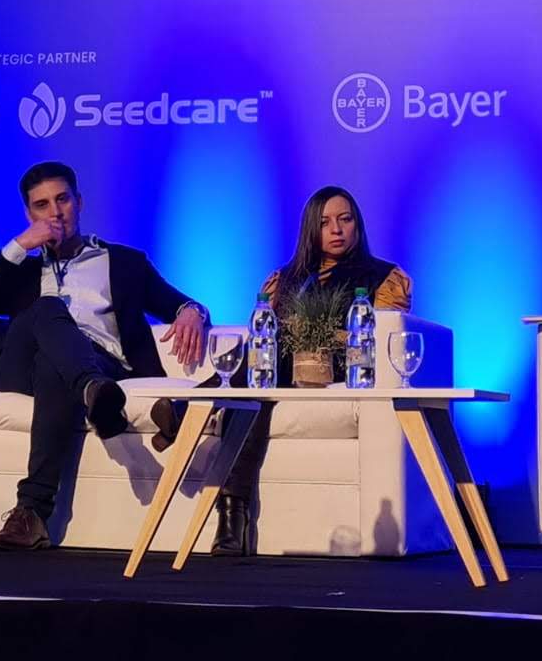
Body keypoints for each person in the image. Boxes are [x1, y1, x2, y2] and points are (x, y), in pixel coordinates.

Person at [0, 160, 208, 551]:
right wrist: (20, 244)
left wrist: (193, 311)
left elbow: (177, 302)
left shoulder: (124, 263)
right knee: (46, 308)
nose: (55, 212)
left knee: (54, 366)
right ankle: (92, 390)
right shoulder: (20, 269)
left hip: (101, 363)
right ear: (29, 214)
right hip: (23, 371)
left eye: (63, 200)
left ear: (79, 202)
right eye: (42, 205)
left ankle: (31, 513)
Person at [150, 185, 412, 556]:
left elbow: (381, 336)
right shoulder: (285, 278)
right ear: (310, 228)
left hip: (341, 368)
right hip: (278, 371)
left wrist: (312, 335)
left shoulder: (382, 276)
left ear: (358, 225)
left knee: (263, 367)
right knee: (255, 393)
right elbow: (262, 335)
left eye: (345, 220)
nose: (337, 229)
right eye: (325, 222)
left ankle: (191, 407)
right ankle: (231, 517)